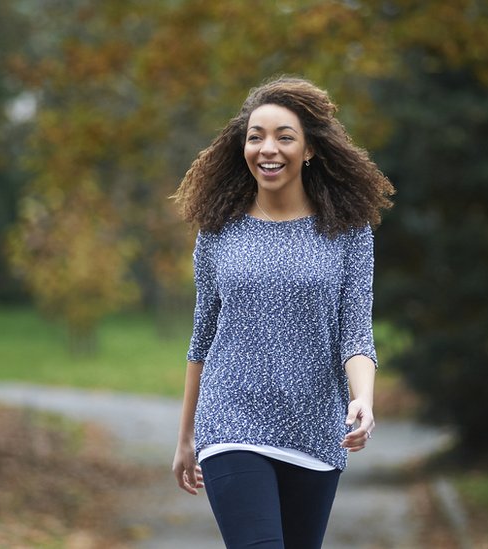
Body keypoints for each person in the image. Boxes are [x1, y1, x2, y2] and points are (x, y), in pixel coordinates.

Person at [169, 76, 395, 549]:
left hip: (315, 430)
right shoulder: (218, 232)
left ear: (309, 149)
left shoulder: (348, 232)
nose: (267, 148)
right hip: (231, 422)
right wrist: (186, 435)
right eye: (256, 137)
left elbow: (355, 332)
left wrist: (364, 401)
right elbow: (203, 337)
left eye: (284, 136)